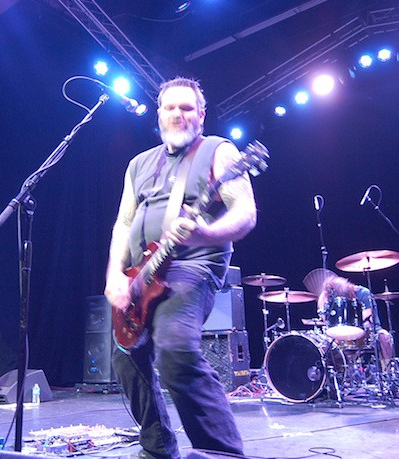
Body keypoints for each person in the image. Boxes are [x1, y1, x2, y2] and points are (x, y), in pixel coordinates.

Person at [105, 77, 256, 458]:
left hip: (193, 265)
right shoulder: (139, 164)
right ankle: (157, 447)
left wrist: (205, 233)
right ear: (159, 114)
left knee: (174, 346)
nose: (178, 114)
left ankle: (221, 452)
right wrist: (114, 276)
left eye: (187, 108)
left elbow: (245, 212)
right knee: (124, 355)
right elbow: (124, 223)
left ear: (201, 115)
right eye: (170, 107)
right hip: (142, 273)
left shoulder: (219, 150)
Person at [315, 274, 394, 368]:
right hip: (341, 332)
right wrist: (323, 297)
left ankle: (387, 370)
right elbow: (325, 319)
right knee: (322, 345)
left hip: (368, 331)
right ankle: (333, 374)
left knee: (384, 336)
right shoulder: (330, 295)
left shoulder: (362, 292)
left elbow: (368, 318)